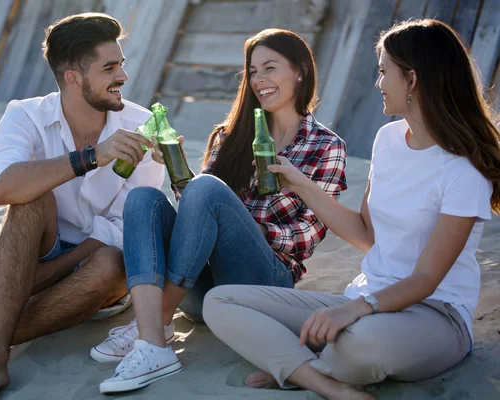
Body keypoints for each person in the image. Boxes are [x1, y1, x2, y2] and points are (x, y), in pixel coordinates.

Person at [202, 19, 500, 400]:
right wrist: (301, 184)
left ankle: (297, 364)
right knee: (220, 300)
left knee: (356, 346)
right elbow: (366, 235)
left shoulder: (463, 172)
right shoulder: (389, 139)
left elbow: (425, 279)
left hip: (435, 314)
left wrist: (357, 310)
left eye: (383, 72)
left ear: (411, 79)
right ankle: (323, 381)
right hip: (364, 298)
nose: (378, 83)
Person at [0, 12, 163, 400]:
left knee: (111, 262)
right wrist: (89, 157)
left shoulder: (141, 124)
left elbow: (130, 224)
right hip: (38, 249)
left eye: (121, 64)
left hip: (98, 267)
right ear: (73, 76)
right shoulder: (26, 115)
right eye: (110, 67)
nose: (123, 76)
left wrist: (51, 274)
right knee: (29, 196)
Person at [94, 28, 348, 394]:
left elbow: (308, 236)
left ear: (300, 71)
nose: (260, 80)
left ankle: (155, 325)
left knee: (208, 188)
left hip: (266, 282)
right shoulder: (231, 136)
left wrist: (252, 228)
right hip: (203, 295)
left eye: (270, 68)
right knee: (144, 199)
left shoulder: (326, 146)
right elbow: (197, 209)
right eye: (253, 72)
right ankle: (155, 330)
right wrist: (175, 167)